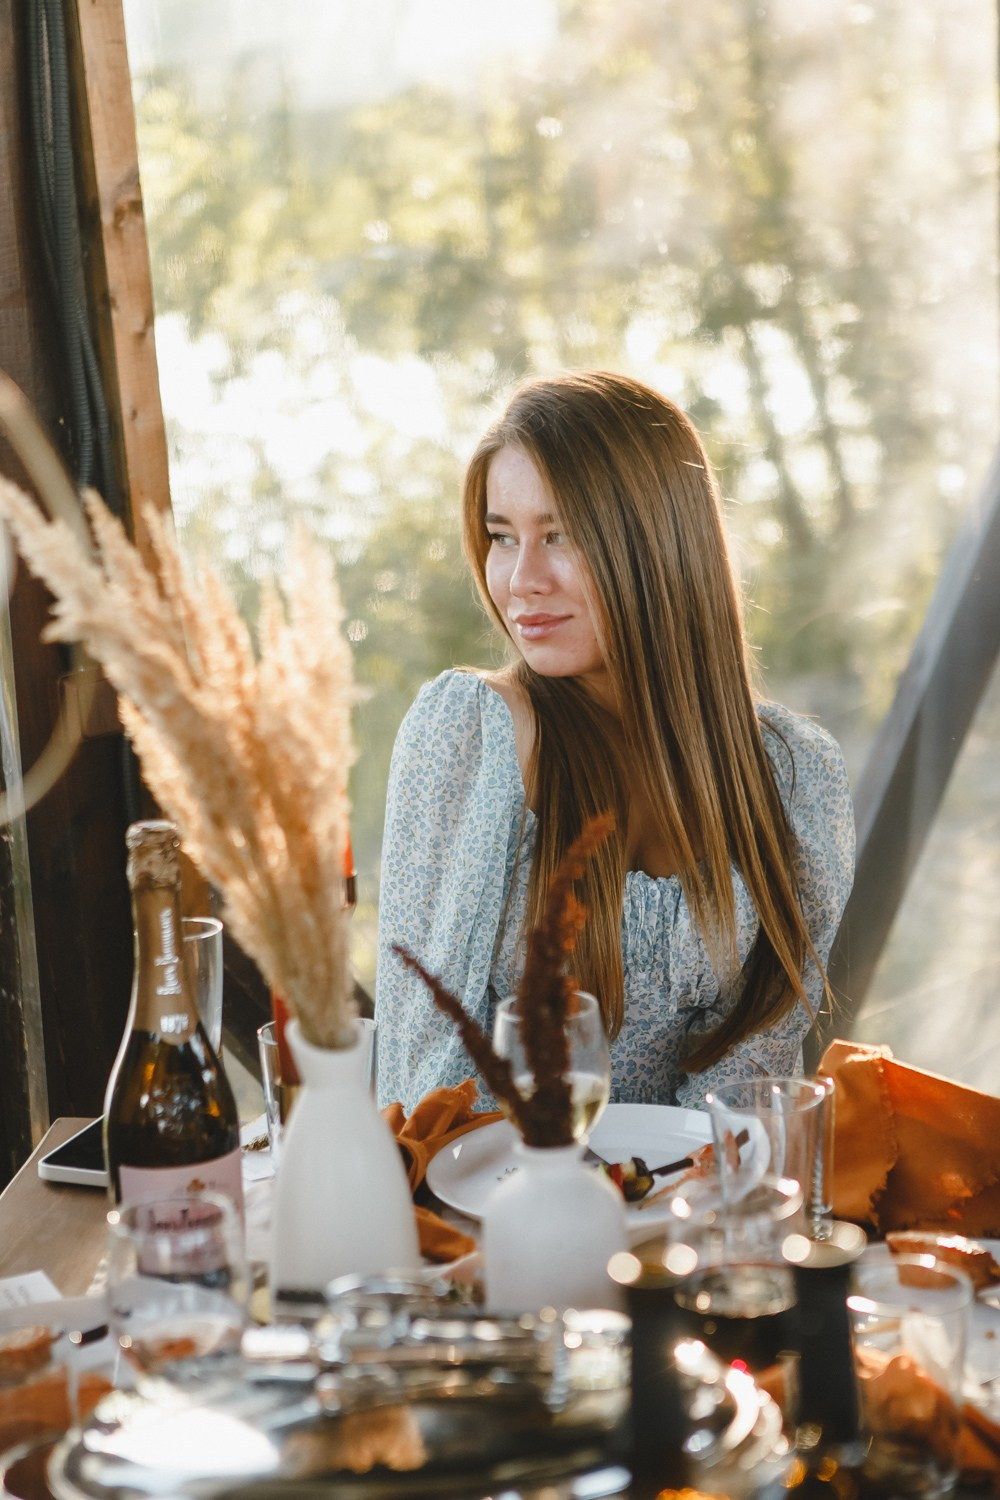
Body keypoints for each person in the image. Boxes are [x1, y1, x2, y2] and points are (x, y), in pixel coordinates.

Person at [375, 371, 854, 1114]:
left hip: (694, 1216)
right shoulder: (473, 734)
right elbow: (423, 1074)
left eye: (558, 534)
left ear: (657, 545)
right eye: (503, 537)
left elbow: (754, 1076)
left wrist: (677, 1216)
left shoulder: (794, 774)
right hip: (499, 1208)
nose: (521, 580)